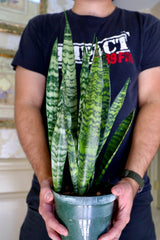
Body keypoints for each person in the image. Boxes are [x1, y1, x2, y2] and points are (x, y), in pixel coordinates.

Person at [12, 0, 160, 239]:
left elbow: (154, 103)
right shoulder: (40, 27)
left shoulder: (146, 27)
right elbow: (26, 104)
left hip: (127, 194)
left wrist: (132, 182)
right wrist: (47, 180)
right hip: (53, 194)